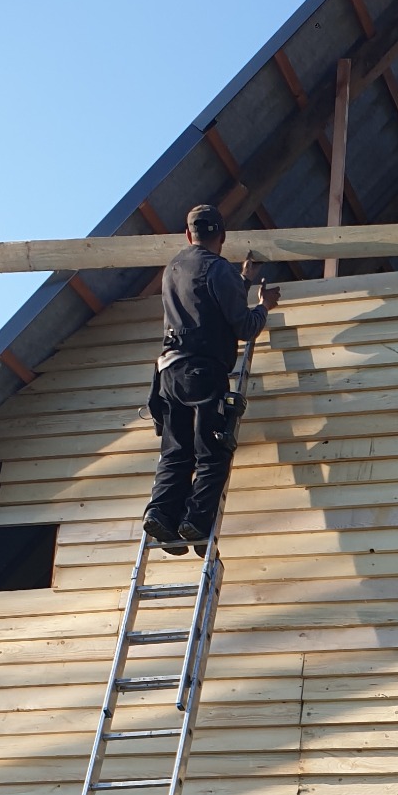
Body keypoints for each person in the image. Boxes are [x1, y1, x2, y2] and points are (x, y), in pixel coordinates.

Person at [142, 203, 279, 556]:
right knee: (211, 452)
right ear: (223, 236)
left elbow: (205, 305)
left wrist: (244, 281)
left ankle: (161, 515)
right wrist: (264, 306)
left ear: (188, 235)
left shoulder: (172, 268)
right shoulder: (219, 269)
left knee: (176, 452)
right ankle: (195, 522)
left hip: (168, 373)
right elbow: (244, 326)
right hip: (202, 373)